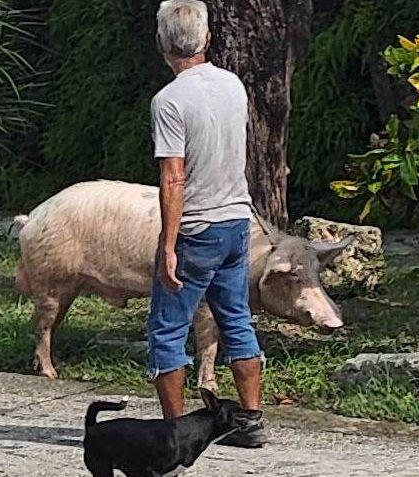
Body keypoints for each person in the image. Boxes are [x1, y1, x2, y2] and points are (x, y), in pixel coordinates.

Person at [147, 0, 265, 448]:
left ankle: (177, 433)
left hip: (196, 228)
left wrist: (170, 245)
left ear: (162, 43)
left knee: (167, 330)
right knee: (237, 320)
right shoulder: (233, 84)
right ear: (208, 39)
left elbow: (174, 176)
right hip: (237, 221)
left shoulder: (169, 101)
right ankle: (250, 422)